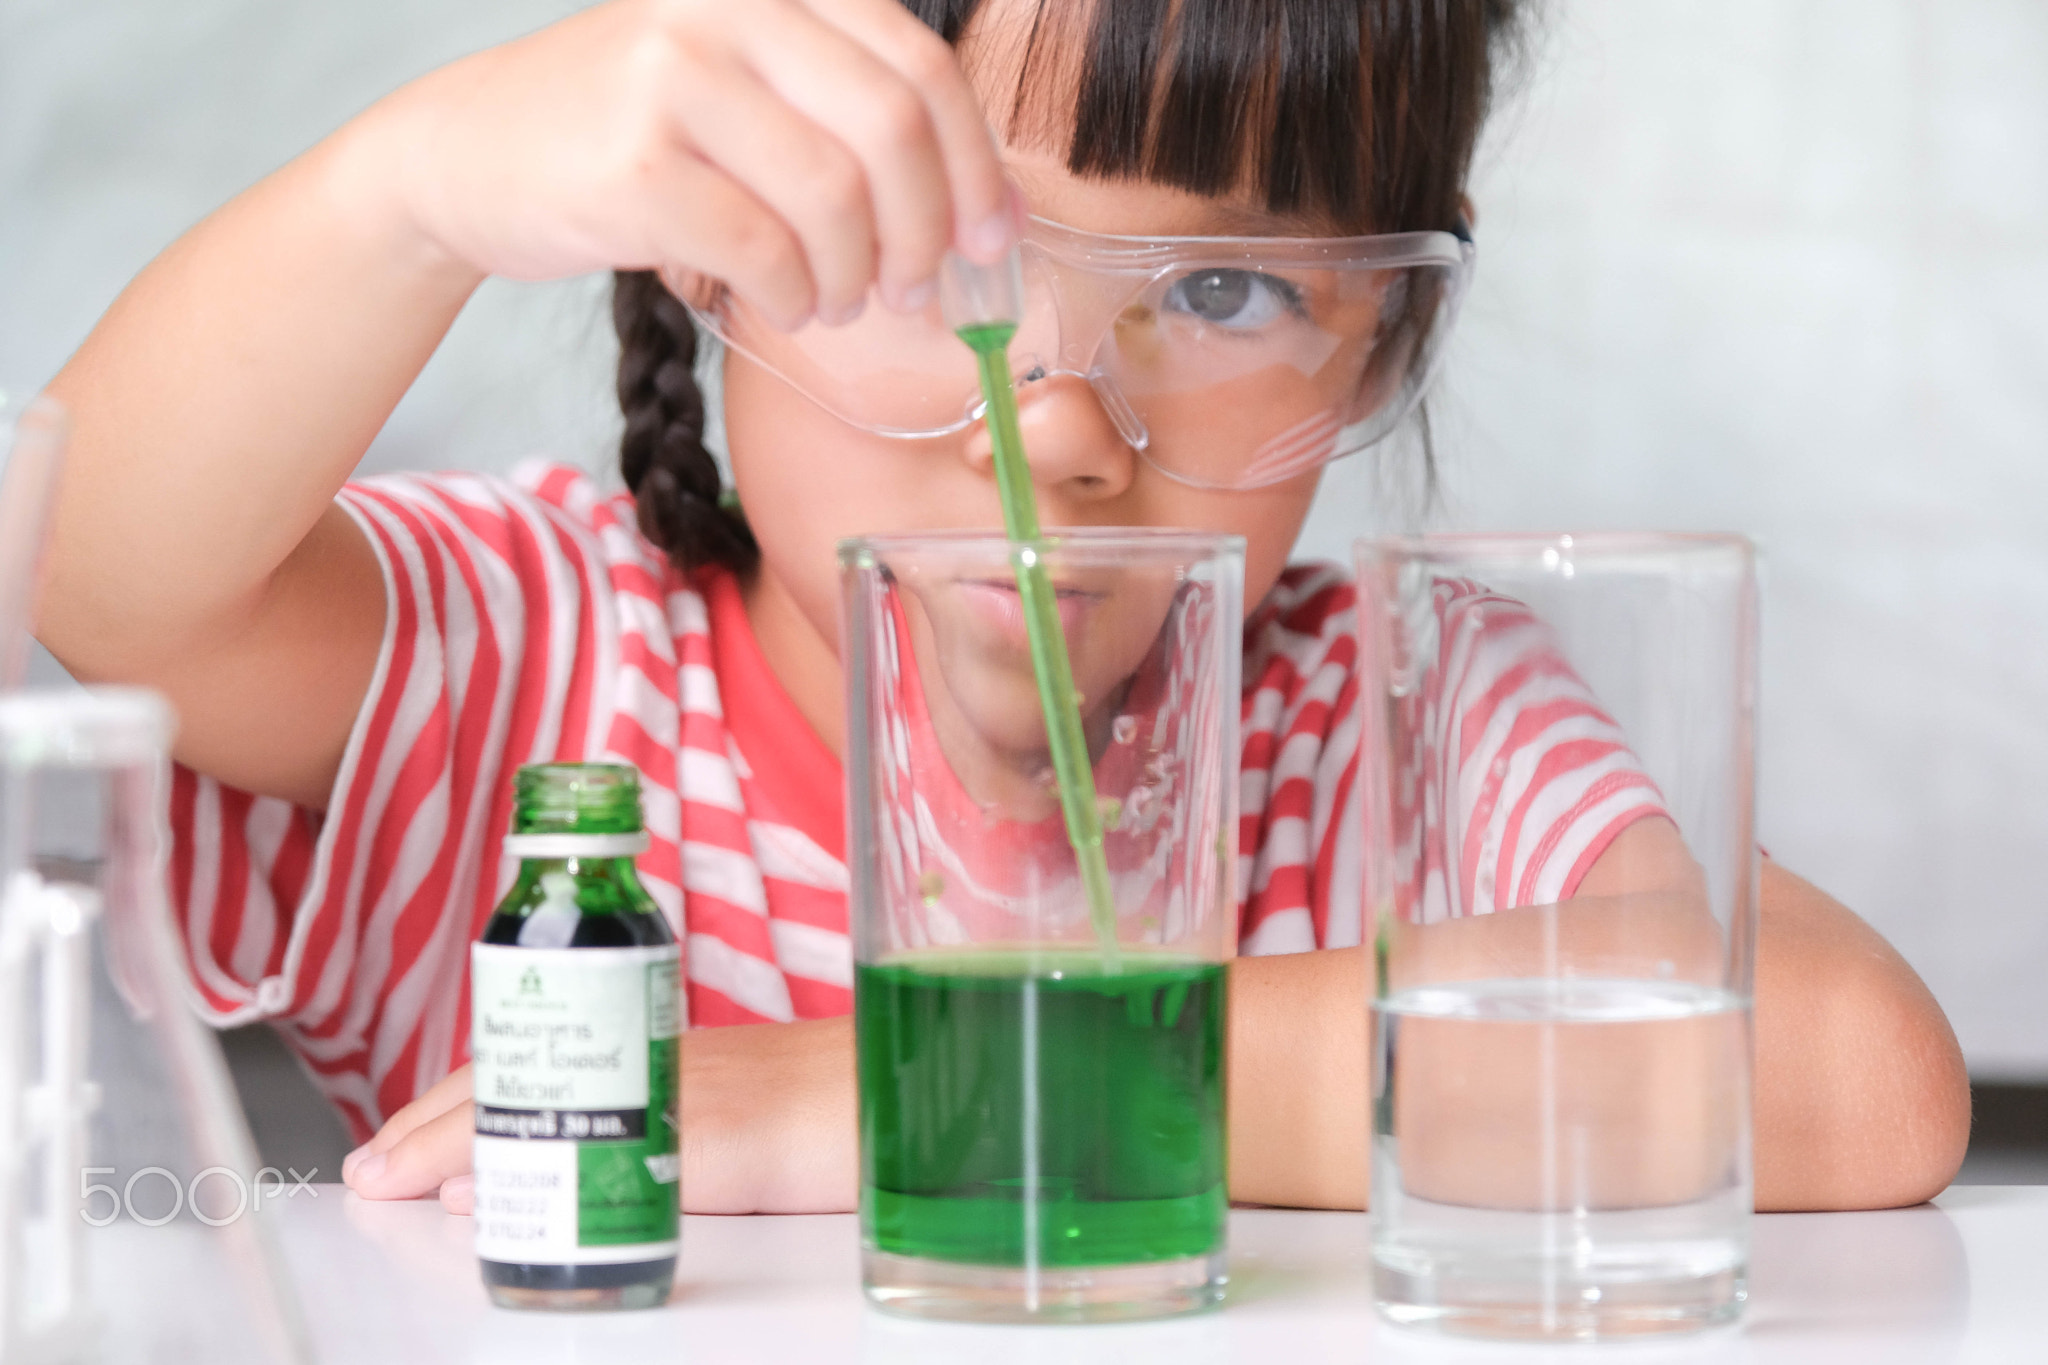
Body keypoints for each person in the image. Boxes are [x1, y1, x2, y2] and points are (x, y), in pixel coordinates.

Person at [37, 0, 1967, 1217]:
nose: (1059, 428)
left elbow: (1844, 1071)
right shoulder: (532, 672)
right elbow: (100, 574)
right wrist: (420, 186)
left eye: (1222, 295)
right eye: (934, 260)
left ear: (1380, 335)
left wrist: (925, 1092)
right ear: (708, 256)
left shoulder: (1372, 727)